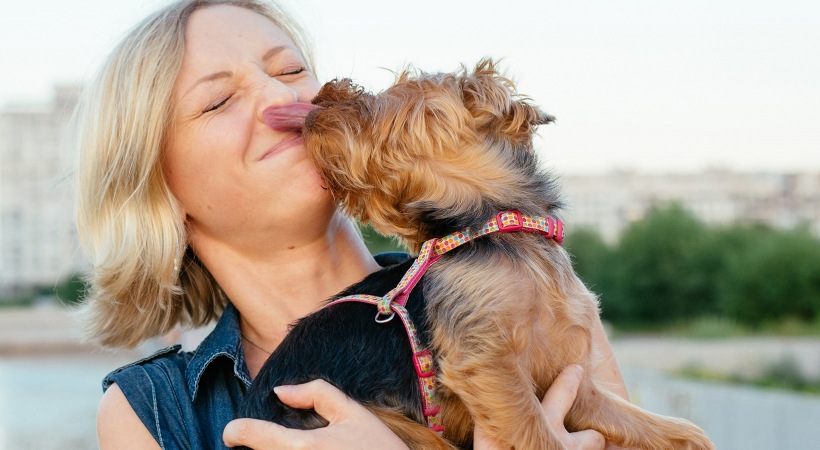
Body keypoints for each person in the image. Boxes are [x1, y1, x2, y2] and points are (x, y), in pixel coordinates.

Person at [74, 1, 628, 448]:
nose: (281, 97)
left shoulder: (526, 290)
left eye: (291, 70)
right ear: (156, 188)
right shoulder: (152, 413)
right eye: (218, 101)